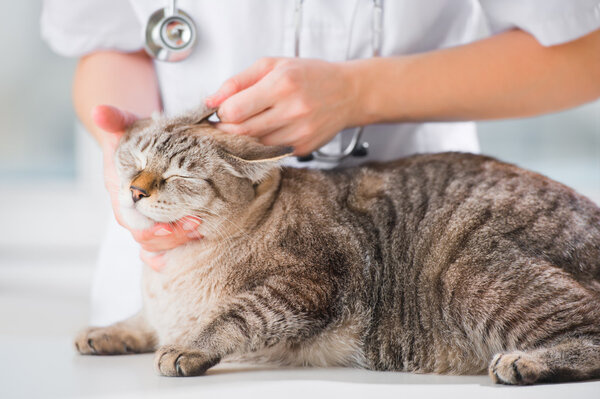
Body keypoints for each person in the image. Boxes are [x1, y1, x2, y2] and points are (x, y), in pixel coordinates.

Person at [41, 0, 600, 326]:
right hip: (176, 261)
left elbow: (584, 51)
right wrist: (133, 155)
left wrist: (361, 94)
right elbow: (110, 41)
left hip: (423, 275)